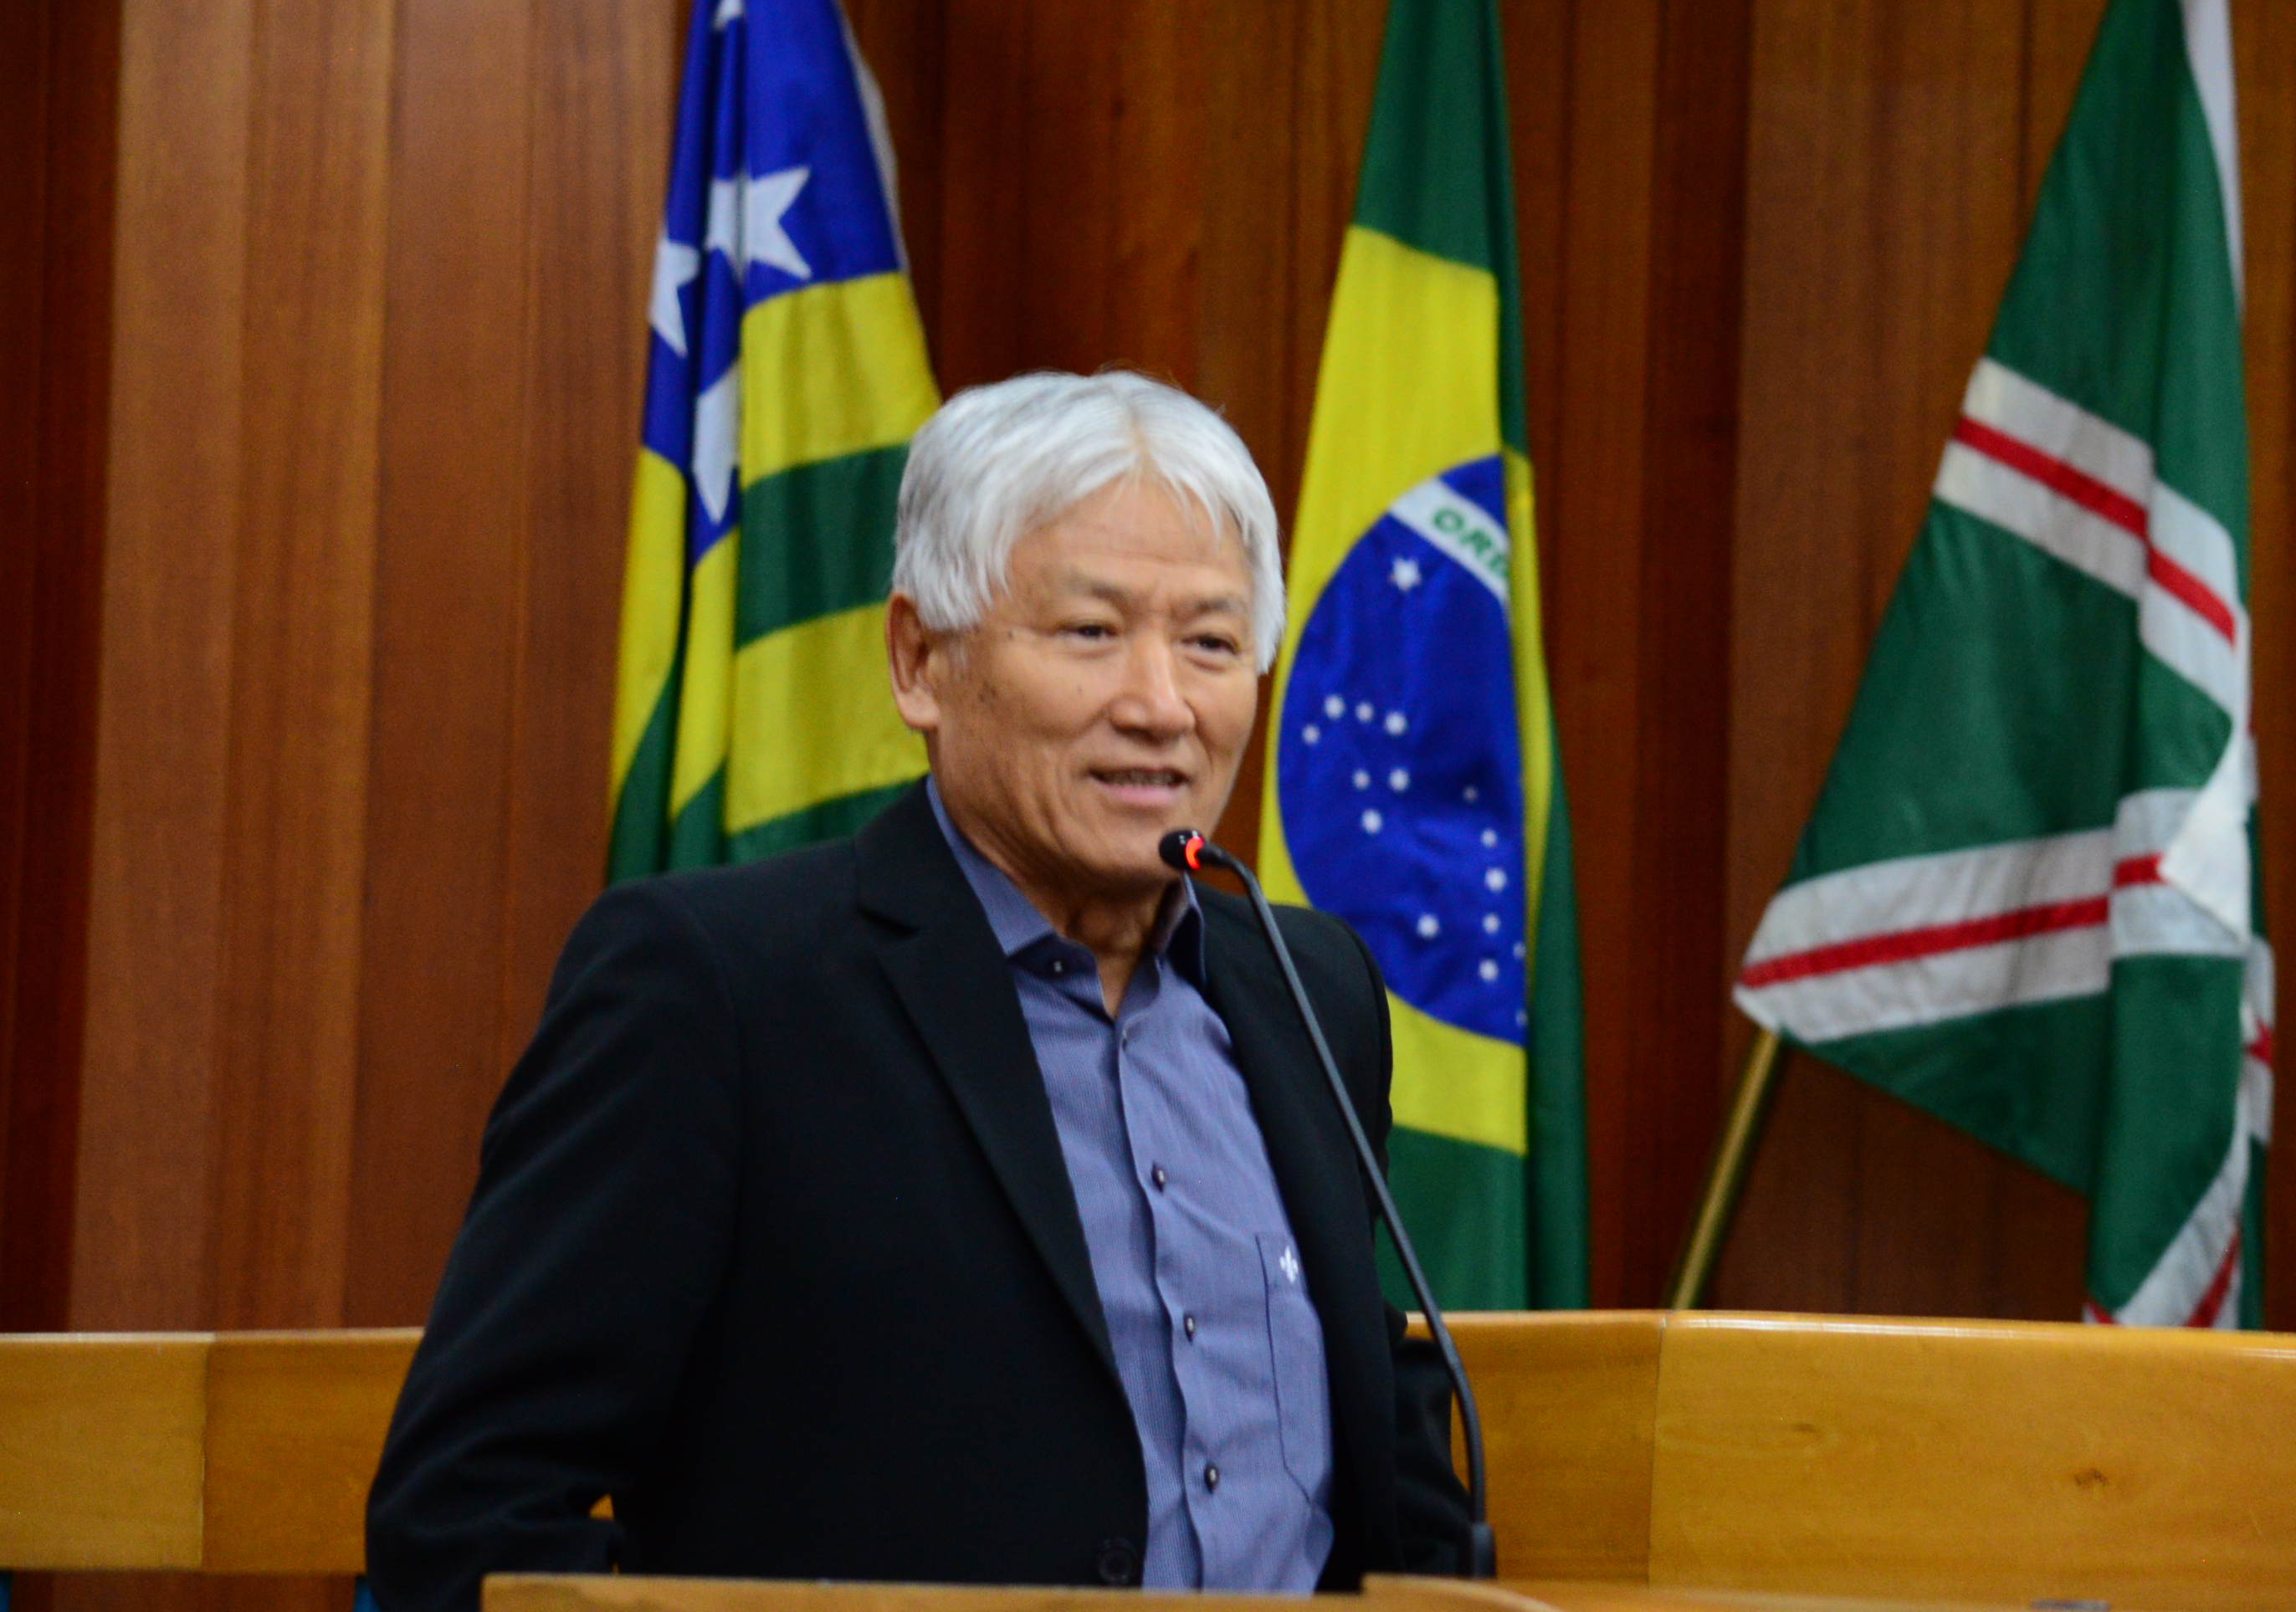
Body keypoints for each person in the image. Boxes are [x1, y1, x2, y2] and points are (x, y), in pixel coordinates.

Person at [365, 371, 1470, 1611]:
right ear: (919, 660)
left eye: (1211, 643)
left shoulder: (1311, 989)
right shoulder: (714, 988)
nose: (1162, 706)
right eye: (1090, 632)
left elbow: (1382, 1461)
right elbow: (465, 1510)